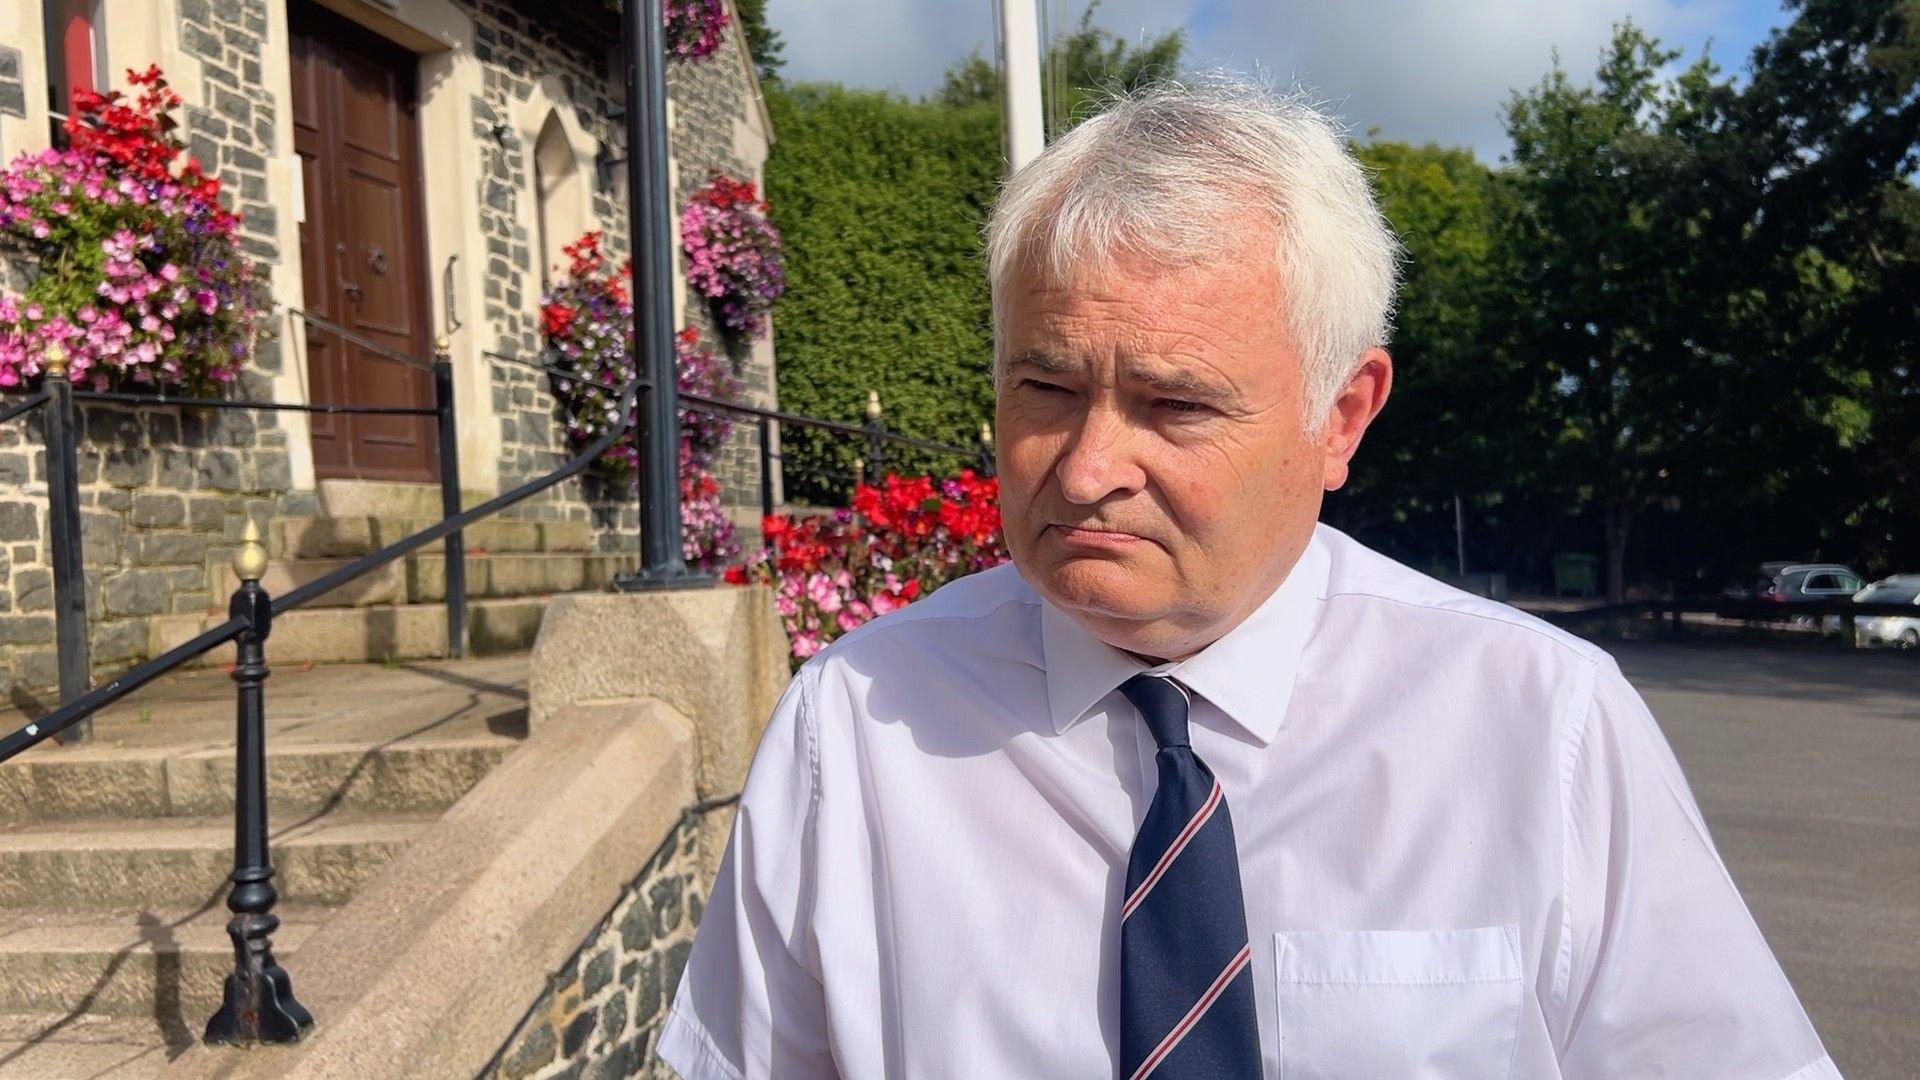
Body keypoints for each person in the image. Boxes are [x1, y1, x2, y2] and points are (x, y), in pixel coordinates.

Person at [654, 75, 1838, 1080]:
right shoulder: (860, 728)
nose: (1088, 467)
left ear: (1343, 416)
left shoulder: (1541, 729)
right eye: (1045, 389)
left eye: (1175, 404)